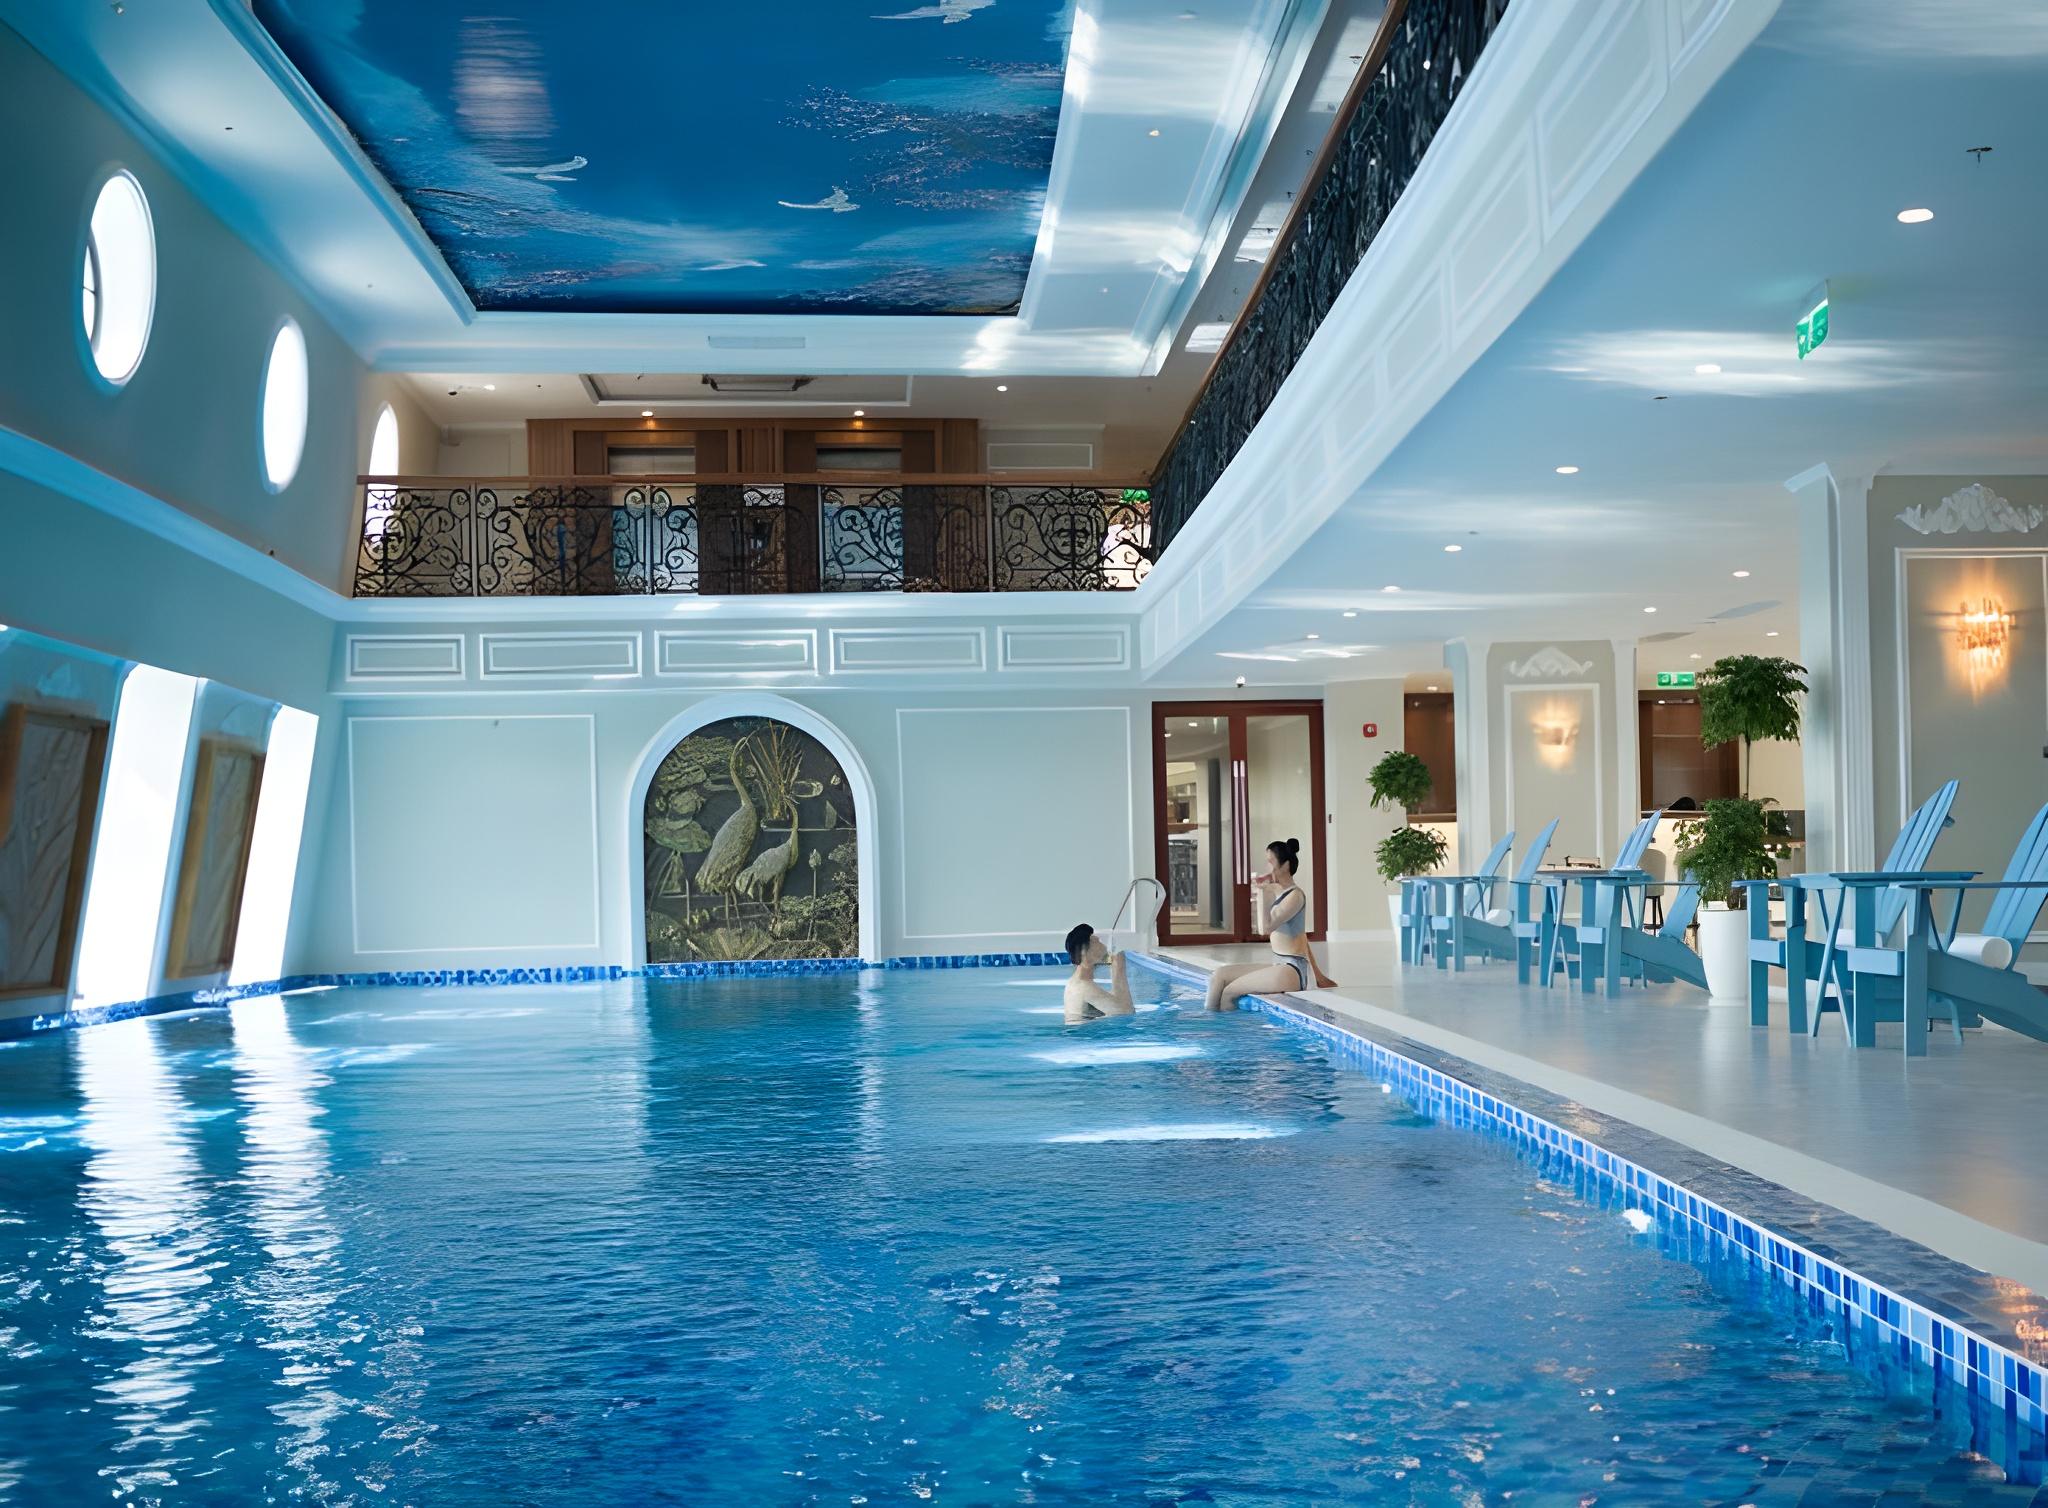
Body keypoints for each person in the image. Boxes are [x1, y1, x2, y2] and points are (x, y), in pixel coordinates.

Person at [1202, 838, 1334, 1010]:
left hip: (1292, 970)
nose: (1267, 866)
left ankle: (1227, 1028)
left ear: (1285, 866)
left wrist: (1261, 892)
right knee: (1218, 976)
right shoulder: (1279, 892)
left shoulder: (1295, 896)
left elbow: (1265, 928)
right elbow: (1301, 938)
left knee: (1229, 992)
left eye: (1270, 861)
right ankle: (1209, 1021)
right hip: (1279, 965)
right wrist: (1319, 976)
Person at [1062, 923, 1134, 1024]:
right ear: (1085, 952)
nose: (1103, 946)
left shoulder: (1074, 982)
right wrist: (1119, 968)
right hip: (1086, 1033)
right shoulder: (1084, 987)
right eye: (1097, 942)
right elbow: (1127, 1012)